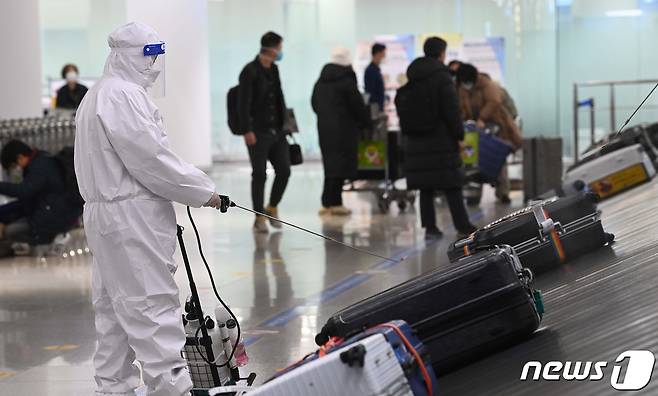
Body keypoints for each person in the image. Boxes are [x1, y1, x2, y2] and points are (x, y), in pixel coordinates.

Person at [74, 22, 231, 396]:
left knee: (114, 310)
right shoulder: (123, 96)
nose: (154, 65)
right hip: (131, 216)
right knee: (151, 306)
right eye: (148, 56)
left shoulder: (96, 95)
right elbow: (152, 160)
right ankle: (172, 389)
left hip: (105, 216)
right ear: (125, 56)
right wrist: (203, 191)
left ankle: (113, 388)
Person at [398, 37, 477, 239]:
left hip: (417, 139)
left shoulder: (413, 76)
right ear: (442, 53)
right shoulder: (442, 78)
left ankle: (430, 228)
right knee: (452, 182)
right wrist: (459, 134)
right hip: (441, 139)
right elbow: (451, 110)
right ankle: (462, 225)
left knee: (426, 186)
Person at [237, 31, 291, 233]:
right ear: (272, 48)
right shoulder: (249, 71)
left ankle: (272, 207)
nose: (281, 52)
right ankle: (259, 216)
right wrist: (246, 130)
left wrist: (286, 124)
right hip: (257, 133)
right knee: (259, 174)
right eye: (280, 48)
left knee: (284, 170)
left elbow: (279, 97)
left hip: (277, 131)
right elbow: (243, 104)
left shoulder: (274, 70)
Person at [312, 46, 371, 216]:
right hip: (344, 129)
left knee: (329, 164)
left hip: (324, 128)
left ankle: (326, 202)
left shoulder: (321, 81)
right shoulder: (346, 81)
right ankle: (336, 203)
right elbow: (357, 106)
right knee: (340, 165)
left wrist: (325, 117)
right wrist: (366, 123)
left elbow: (315, 103)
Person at [457, 63, 522, 203]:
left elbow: (494, 102)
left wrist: (482, 118)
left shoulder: (488, 86)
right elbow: (462, 105)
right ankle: (473, 194)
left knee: (496, 158)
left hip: (495, 126)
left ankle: (503, 192)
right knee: (472, 160)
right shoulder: (463, 89)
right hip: (473, 129)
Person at [0, 140, 81, 252]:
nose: (15, 170)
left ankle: (52, 238)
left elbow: (24, 191)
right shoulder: (39, 161)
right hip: (49, 211)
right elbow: (26, 199)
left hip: (54, 217)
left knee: (9, 231)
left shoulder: (40, 167)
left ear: (20, 158)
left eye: (13, 166)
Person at [364, 43, 387, 111]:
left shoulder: (376, 70)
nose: (384, 56)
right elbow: (370, 91)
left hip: (378, 106)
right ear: (378, 53)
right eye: (383, 54)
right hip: (375, 108)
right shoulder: (371, 70)